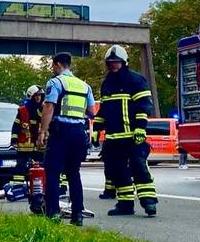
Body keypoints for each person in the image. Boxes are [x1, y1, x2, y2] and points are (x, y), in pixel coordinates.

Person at [96, 45, 158, 217]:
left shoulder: (135, 80)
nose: (113, 65)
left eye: (116, 62)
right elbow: (103, 111)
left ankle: (149, 201)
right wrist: (96, 129)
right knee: (118, 171)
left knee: (139, 166)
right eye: (110, 63)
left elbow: (144, 106)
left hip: (132, 136)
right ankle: (125, 204)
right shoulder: (107, 84)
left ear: (124, 63)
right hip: (114, 138)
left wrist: (140, 128)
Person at [37, 52, 95, 225]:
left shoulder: (55, 82)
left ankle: (53, 213)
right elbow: (91, 111)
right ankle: (77, 214)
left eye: (52, 66)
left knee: (53, 172)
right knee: (74, 173)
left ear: (57, 65)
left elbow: (49, 106)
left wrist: (42, 131)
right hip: (79, 133)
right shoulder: (85, 86)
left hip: (60, 132)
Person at [12, 84, 46, 214]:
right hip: (25, 144)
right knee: (20, 166)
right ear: (31, 96)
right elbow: (15, 126)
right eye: (36, 95)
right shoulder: (22, 111)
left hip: (39, 144)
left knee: (41, 166)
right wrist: (14, 140)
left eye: (40, 95)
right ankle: (18, 187)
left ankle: (41, 188)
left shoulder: (43, 109)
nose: (38, 98)